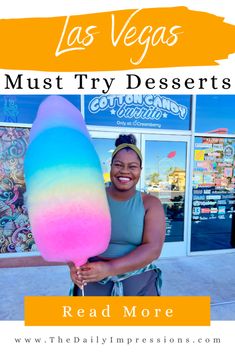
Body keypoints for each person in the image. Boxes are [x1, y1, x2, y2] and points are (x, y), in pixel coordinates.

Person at [69, 134, 166, 296]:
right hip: (92, 282)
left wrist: (109, 268)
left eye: (132, 166)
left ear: (140, 170)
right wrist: (73, 265)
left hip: (140, 287)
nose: (124, 171)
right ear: (111, 166)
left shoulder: (150, 204)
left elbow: (153, 249)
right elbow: (71, 237)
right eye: (118, 165)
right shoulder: (90, 198)